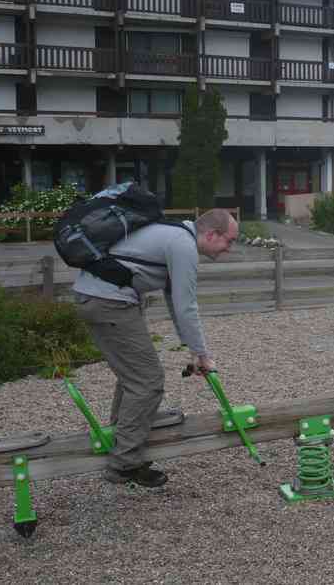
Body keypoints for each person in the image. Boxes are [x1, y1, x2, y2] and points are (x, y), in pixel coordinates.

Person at [73, 208, 239, 487]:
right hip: (108, 302)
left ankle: (123, 438)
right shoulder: (183, 245)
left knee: (135, 376)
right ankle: (124, 462)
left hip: (99, 298)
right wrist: (203, 355)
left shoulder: (175, 234)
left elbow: (175, 300)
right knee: (148, 381)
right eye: (229, 241)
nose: (229, 249)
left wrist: (193, 349)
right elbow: (187, 306)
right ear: (211, 234)